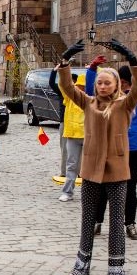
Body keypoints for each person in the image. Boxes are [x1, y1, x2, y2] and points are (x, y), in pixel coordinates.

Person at [58, 40, 137, 275]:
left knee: (116, 222)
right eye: (100, 82)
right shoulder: (88, 103)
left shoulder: (125, 104)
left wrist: (132, 59)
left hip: (117, 173)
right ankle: (81, 268)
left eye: (108, 82)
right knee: (88, 220)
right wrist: (65, 61)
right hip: (91, 172)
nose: (103, 86)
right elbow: (67, 87)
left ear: (117, 85)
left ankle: (116, 273)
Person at [89, 50, 137, 239]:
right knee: (103, 186)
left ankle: (130, 223)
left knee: (130, 188)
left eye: (124, 83)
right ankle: (97, 221)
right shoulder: (106, 100)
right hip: (110, 148)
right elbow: (90, 91)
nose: (121, 86)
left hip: (132, 148)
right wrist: (92, 69)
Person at [52, 68, 85, 202]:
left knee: (87, 167)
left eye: (83, 87)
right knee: (71, 165)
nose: (80, 89)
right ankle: (67, 192)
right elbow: (62, 85)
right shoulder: (69, 98)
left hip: (87, 136)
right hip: (72, 135)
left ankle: (90, 193)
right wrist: (62, 70)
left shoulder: (90, 100)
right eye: (79, 86)